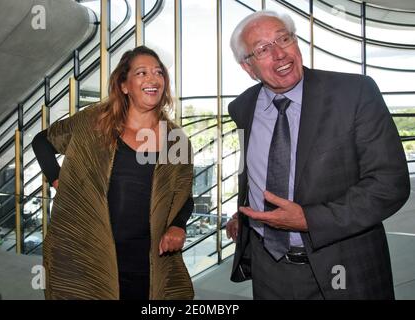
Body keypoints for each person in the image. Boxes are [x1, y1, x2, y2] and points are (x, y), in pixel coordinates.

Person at [225, 10, 410, 299]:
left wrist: (310, 220)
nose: (279, 54)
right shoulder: (242, 108)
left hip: (344, 267)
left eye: (283, 39)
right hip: (269, 272)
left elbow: (390, 184)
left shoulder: (355, 93)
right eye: (262, 49)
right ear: (248, 67)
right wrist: (245, 212)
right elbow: (257, 169)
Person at [32, 46, 194, 300]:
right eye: (141, 73)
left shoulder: (176, 139)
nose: (153, 79)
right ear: (124, 85)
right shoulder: (93, 122)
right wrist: (58, 180)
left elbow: (183, 195)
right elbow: (42, 142)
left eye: (158, 73)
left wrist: (177, 226)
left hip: (148, 260)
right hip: (88, 254)